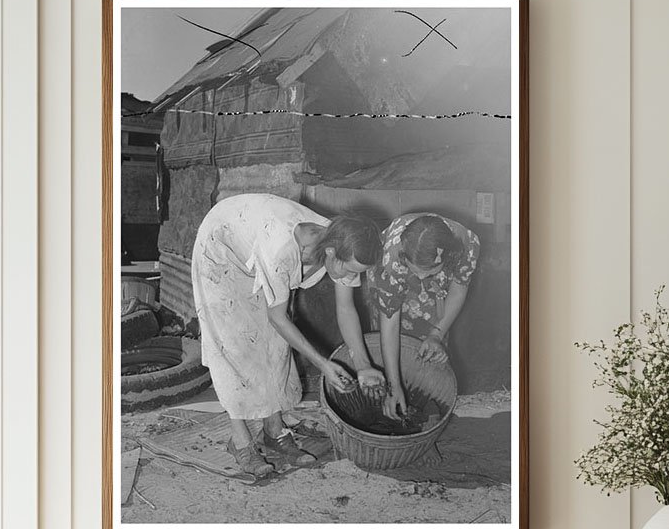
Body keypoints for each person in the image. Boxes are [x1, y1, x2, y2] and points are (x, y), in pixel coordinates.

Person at [192, 193, 385, 477]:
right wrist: (323, 365)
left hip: (253, 243)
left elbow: (346, 309)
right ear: (331, 252)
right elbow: (277, 318)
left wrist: (364, 365)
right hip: (220, 248)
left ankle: (274, 429)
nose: (349, 276)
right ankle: (240, 440)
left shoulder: (344, 243)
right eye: (349, 269)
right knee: (234, 344)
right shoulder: (282, 248)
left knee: (275, 344)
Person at [370, 213, 480, 420]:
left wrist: (437, 334)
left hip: (437, 287)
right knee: (387, 344)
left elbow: (458, 289)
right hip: (393, 274)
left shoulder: (467, 245)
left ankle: (419, 397)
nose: (420, 277)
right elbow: (390, 321)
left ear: (448, 258)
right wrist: (394, 386)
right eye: (416, 271)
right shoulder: (391, 256)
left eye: (427, 271)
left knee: (430, 341)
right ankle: (390, 392)